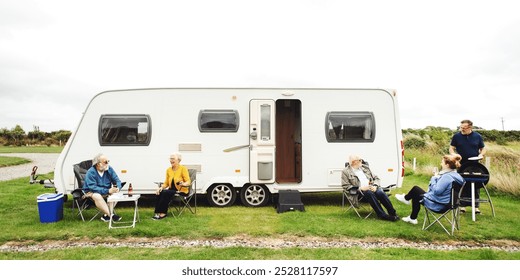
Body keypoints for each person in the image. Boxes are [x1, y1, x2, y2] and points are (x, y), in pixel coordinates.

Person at [395, 154, 464, 225]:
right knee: (417, 194)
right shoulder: (457, 176)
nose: (441, 163)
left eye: (442, 162)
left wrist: (434, 178)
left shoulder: (447, 177)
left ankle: (407, 201)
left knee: (416, 190)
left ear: (447, 165)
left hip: (439, 205)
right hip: (451, 204)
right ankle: (412, 216)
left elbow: (437, 191)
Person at [341, 155, 399, 222]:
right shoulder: (345, 172)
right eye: (360, 160)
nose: (362, 161)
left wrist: (375, 186)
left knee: (380, 192)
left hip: (372, 188)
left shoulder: (365, 168)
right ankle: (382, 215)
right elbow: (345, 186)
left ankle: (393, 213)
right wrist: (361, 188)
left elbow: (376, 178)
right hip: (360, 193)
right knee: (368, 192)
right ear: (354, 162)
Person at [449, 119, 486, 213]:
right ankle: (462, 206)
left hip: (475, 164)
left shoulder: (477, 136)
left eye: (464, 128)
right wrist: (454, 155)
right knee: (462, 183)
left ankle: (476, 207)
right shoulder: (456, 136)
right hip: (461, 164)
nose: (461, 129)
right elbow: (451, 148)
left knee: (476, 184)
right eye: (460, 127)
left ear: (470, 127)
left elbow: (483, 148)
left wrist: (481, 155)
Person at [83, 153, 123, 222]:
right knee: (97, 196)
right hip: (91, 192)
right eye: (105, 162)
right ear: (98, 164)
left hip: (106, 191)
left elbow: (117, 180)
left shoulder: (109, 169)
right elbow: (93, 188)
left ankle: (106, 215)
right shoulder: (91, 172)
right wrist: (108, 191)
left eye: (108, 161)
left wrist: (117, 188)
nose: (107, 163)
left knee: (117, 194)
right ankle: (111, 215)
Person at [152, 153, 191, 220]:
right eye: (170, 158)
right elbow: (166, 183)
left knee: (165, 193)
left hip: (181, 190)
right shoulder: (168, 170)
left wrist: (183, 184)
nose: (171, 160)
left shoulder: (183, 169)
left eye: (173, 158)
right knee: (160, 192)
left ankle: (163, 213)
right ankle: (157, 212)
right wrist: (161, 188)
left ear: (178, 160)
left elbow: (188, 181)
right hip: (172, 190)